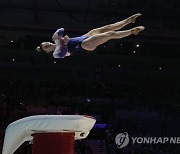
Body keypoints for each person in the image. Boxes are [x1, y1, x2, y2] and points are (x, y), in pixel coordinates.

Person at [36, 13, 145, 58]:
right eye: (46, 47)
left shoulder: (55, 40)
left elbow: (62, 29)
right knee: (109, 34)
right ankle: (132, 31)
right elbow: (64, 51)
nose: (48, 44)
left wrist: (57, 33)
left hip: (85, 36)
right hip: (84, 45)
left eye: (46, 43)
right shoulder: (55, 54)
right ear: (47, 51)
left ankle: (129, 20)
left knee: (108, 27)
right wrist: (62, 41)